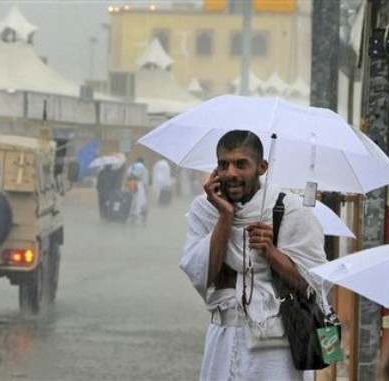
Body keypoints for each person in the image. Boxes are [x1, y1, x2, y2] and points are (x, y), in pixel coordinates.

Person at [179, 130, 328, 381]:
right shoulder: (205, 210)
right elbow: (202, 276)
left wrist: (271, 253)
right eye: (223, 164)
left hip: (276, 348)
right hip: (223, 339)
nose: (231, 173)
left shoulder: (291, 210)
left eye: (241, 164)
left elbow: (315, 283)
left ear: (262, 167)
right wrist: (225, 217)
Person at [127, 157, 149, 224]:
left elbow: (127, 175)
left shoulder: (131, 167)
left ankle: (132, 217)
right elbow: (145, 180)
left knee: (132, 201)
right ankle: (140, 216)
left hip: (131, 185)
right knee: (141, 202)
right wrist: (146, 189)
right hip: (140, 186)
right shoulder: (144, 168)